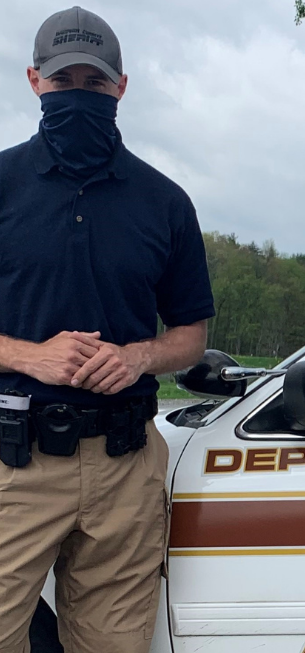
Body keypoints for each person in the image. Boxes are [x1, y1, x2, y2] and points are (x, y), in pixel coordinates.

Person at [0, 7, 215, 653]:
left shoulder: (165, 201)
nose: (79, 94)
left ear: (121, 87)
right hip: (15, 463)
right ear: (35, 81)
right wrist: (29, 356)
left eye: (94, 83)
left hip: (125, 468)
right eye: (65, 81)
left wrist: (140, 356)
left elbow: (190, 335)